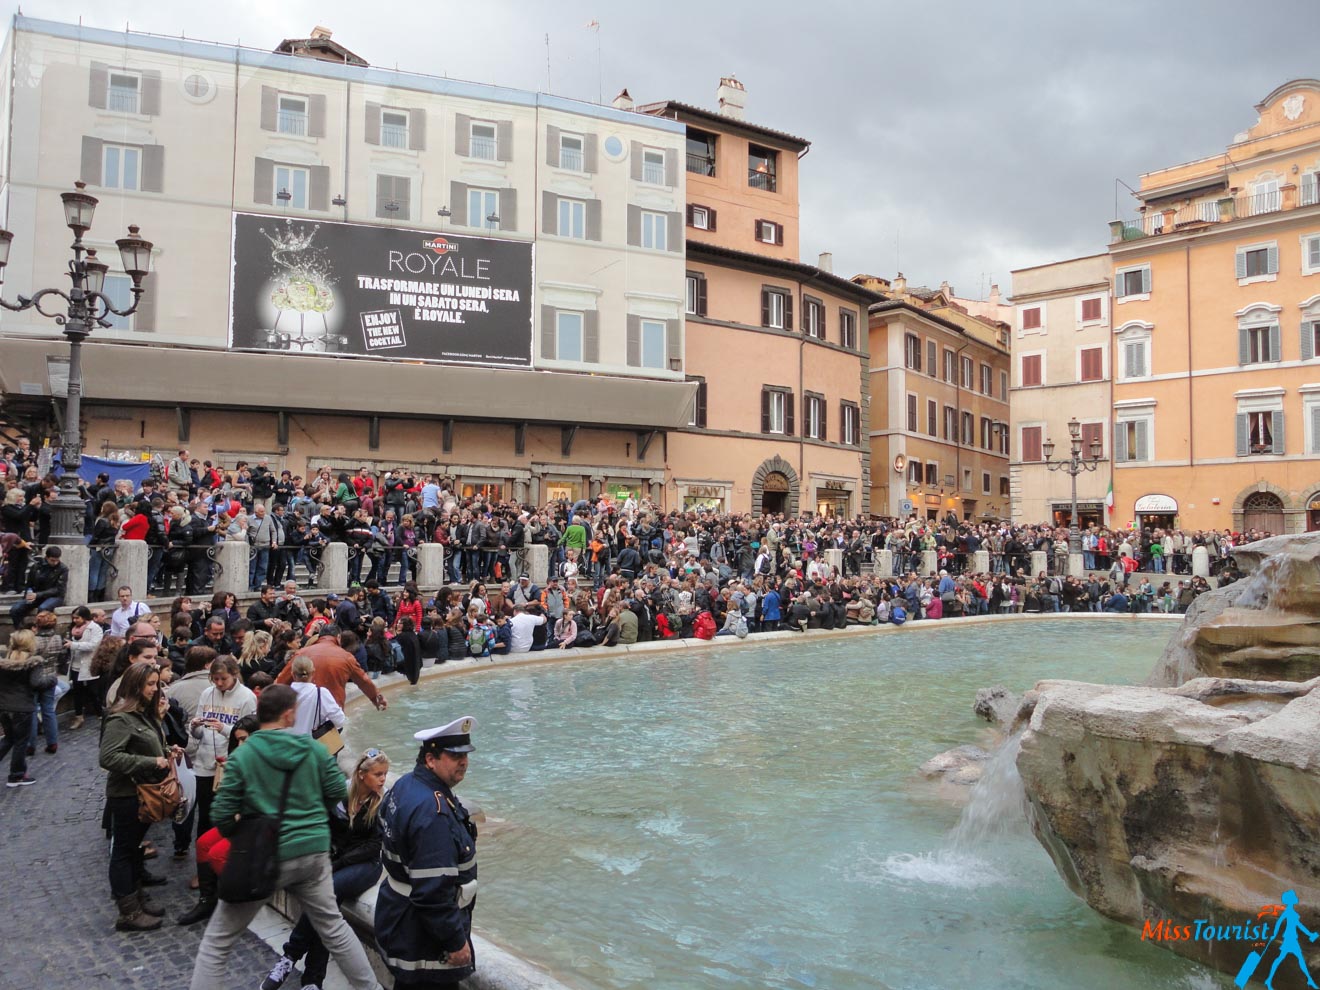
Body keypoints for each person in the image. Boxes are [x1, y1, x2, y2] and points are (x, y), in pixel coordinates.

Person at [188, 686, 380, 990]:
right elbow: (335, 794)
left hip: (264, 856)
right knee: (334, 928)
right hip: (313, 853)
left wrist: (242, 831)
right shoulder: (313, 749)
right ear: (289, 714)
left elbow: (222, 814)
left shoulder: (244, 755)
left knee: (217, 941)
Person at [263, 749, 390, 990]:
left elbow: (374, 846)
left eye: (385, 774)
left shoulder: (382, 801)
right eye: (378, 774)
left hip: (366, 865)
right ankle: (312, 981)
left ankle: (290, 956)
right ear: (362, 775)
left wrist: (338, 863)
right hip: (337, 860)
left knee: (327, 890)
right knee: (328, 905)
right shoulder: (339, 794)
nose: (383, 779)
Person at [376, 717, 479, 985]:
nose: (464, 762)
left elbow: (383, 826)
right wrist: (456, 942)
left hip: (399, 916)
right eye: (455, 756)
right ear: (431, 759)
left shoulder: (406, 784)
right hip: (422, 938)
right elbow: (433, 892)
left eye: (465, 755)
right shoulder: (433, 812)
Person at [99, 662, 183, 932]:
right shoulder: (120, 718)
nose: (155, 689)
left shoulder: (144, 715)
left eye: (157, 683)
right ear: (136, 686)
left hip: (144, 792)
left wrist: (168, 750)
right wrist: (151, 762)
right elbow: (108, 757)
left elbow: (150, 743)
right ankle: (128, 913)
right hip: (127, 794)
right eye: (150, 684)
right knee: (124, 851)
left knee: (134, 848)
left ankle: (137, 899)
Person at [0, 629, 42, 786]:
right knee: (20, 742)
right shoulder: (33, 663)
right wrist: (51, 680)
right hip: (22, 707)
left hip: (4, 706)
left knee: (9, 739)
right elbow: (37, 683)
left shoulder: (5, 662)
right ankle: (17, 775)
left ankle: (17, 774)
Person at [9, 545, 68, 628]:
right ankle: (21, 632)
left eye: (57, 560)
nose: (55, 563)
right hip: (36, 594)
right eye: (52, 560)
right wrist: (28, 594)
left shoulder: (62, 569)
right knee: (15, 609)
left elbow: (59, 589)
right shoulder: (36, 566)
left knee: (43, 609)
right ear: (47, 558)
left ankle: (39, 631)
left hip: (54, 596)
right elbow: (29, 584)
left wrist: (38, 595)